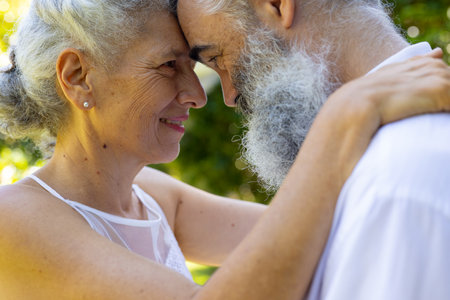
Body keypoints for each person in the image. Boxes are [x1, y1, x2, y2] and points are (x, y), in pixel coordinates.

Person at [0, 1, 448, 299]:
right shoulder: (13, 219)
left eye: (197, 66)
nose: (198, 93)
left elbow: (318, 234)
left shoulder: (156, 197)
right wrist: (346, 114)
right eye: (167, 66)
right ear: (77, 75)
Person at [174, 0, 450, 299]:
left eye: (217, 58)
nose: (230, 95)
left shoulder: (392, 187)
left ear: (278, 5)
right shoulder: (380, 166)